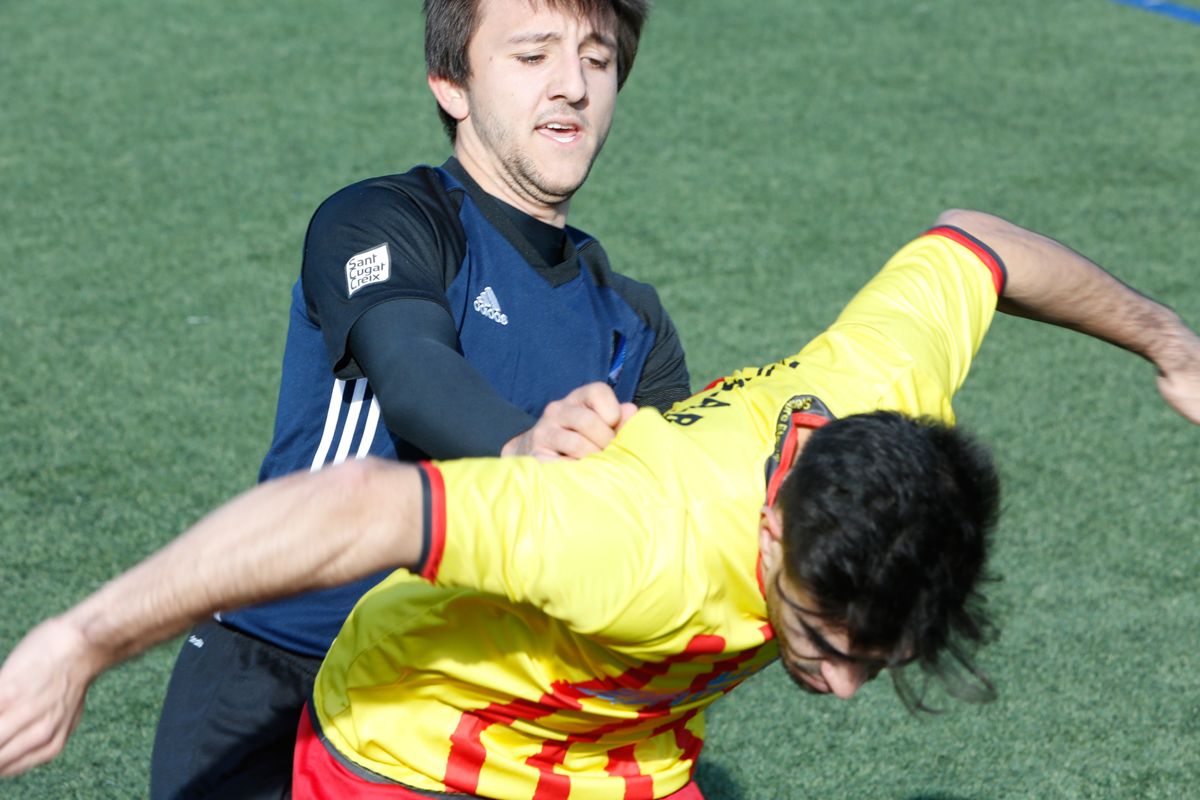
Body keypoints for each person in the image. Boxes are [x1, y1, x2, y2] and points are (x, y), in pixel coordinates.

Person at [1, 211, 1197, 798]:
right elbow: (353, 506)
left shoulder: (883, 398)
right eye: (826, 640)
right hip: (419, 756)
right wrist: (81, 640)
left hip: (619, 756)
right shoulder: (637, 539)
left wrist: (1169, 341)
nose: (841, 687)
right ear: (771, 526)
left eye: (873, 656)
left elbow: (973, 243)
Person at [149, 0, 689, 796]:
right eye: (533, 56)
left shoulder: (631, 320)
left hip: (488, 714)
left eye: (597, 59)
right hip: (288, 679)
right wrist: (521, 448)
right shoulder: (385, 222)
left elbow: (672, 518)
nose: (573, 84)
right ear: (451, 84)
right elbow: (412, 373)